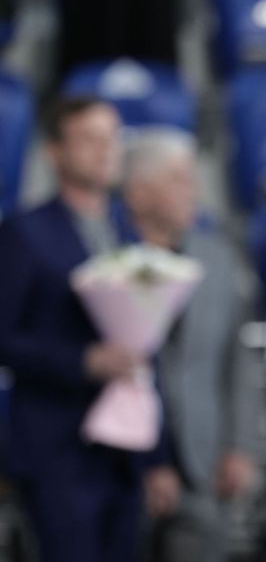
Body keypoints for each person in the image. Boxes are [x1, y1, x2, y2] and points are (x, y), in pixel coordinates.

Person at [0, 97, 144, 562]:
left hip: (124, 450)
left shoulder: (127, 233)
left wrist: (157, 457)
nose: (105, 151)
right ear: (54, 151)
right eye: (89, 139)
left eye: (112, 139)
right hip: (56, 447)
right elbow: (5, 337)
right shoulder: (24, 233)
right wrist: (82, 361)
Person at [120, 127, 264, 562]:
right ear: (139, 193)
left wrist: (241, 446)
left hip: (207, 464)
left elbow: (238, 362)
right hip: (122, 471)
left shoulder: (219, 259)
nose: (193, 192)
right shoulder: (107, 258)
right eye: (178, 179)